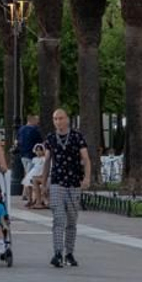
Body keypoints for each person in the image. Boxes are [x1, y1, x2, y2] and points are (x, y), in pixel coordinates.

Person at [34, 108, 92, 268]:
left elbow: (86, 159)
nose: (58, 121)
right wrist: (44, 182)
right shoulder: (51, 138)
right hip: (57, 182)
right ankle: (57, 253)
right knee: (58, 219)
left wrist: (87, 178)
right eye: (55, 119)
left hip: (73, 183)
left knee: (71, 221)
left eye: (60, 118)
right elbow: (47, 161)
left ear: (67, 119)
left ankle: (69, 253)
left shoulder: (77, 137)